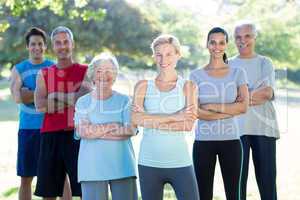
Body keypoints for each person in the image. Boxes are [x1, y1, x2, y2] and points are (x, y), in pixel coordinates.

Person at [132, 34, 199, 200]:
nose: (164, 59)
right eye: (159, 54)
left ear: (178, 55)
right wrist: (177, 116)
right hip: (148, 162)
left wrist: (149, 120)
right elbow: (136, 120)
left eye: (169, 54)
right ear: (154, 56)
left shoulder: (188, 86)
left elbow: (188, 125)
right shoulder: (142, 86)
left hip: (180, 161)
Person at [190, 27, 249, 200]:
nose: (217, 47)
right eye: (213, 42)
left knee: (233, 195)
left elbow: (243, 107)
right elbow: (196, 112)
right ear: (207, 44)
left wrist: (211, 105)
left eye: (221, 42)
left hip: (231, 142)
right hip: (203, 143)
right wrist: (229, 110)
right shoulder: (196, 75)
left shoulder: (238, 73)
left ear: (226, 45)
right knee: (203, 195)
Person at [34, 26, 90, 199]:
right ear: (53, 46)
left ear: (72, 44)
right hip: (50, 137)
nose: (62, 46)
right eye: (58, 43)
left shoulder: (86, 70)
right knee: (49, 192)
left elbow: (84, 99)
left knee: (85, 190)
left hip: (78, 135)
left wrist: (55, 96)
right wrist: (72, 98)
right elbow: (40, 105)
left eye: (66, 42)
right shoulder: (44, 73)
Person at [74, 53, 138, 200]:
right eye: (99, 71)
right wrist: (114, 125)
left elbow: (130, 129)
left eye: (109, 70)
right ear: (92, 74)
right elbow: (84, 131)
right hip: (92, 169)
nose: (104, 75)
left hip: (123, 166)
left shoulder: (125, 101)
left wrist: (96, 131)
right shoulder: (83, 102)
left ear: (115, 75)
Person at [229, 22, 279, 200]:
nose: (243, 41)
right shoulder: (228, 64)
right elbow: (227, 97)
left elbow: (267, 93)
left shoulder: (265, 62)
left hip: (263, 129)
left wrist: (240, 96)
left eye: (247, 36)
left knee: (267, 184)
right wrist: (249, 94)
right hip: (236, 131)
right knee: (236, 185)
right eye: (238, 37)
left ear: (255, 37)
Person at [10, 27, 54, 200]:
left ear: (45, 46)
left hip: (50, 129)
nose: (37, 47)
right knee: (26, 178)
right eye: (33, 44)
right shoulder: (19, 68)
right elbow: (17, 97)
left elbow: (57, 97)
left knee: (49, 179)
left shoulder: (52, 67)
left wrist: (30, 92)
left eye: (40, 44)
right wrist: (43, 94)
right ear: (28, 46)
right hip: (27, 129)